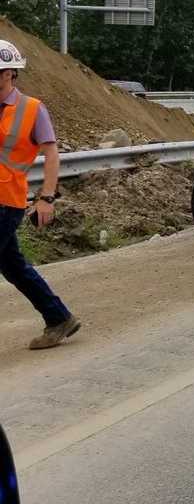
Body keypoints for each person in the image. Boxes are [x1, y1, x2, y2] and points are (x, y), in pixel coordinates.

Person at [0, 40, 80, 350]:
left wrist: (46, 197)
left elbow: (51, 153)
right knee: (13, 267)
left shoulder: (32, 109)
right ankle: (59, 318)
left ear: (9, 73)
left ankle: (58, 318)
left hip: (6, 201)